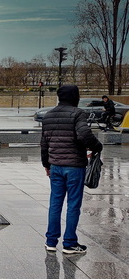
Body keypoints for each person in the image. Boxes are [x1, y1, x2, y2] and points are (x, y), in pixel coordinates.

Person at [41, 85, 103, 254]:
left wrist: (46, 165)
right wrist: (97, 146)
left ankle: (51, 241)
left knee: (55, 203)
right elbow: (84, 135)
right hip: (75, 166)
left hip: (56, 166)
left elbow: (44, 144)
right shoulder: (77, 113)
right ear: (75, 97)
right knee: (73, 205)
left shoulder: (48, 115)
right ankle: (69, 243)